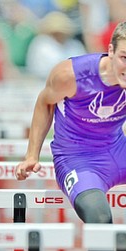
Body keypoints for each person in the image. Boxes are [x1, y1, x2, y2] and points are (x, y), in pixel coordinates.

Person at [15, 21, 126, 223]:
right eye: (124, 58)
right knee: (100, 219)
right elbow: (44, 103)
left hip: (118, 150)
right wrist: (32, 155)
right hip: (77, 158)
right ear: (111, 51)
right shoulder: (70, 75)